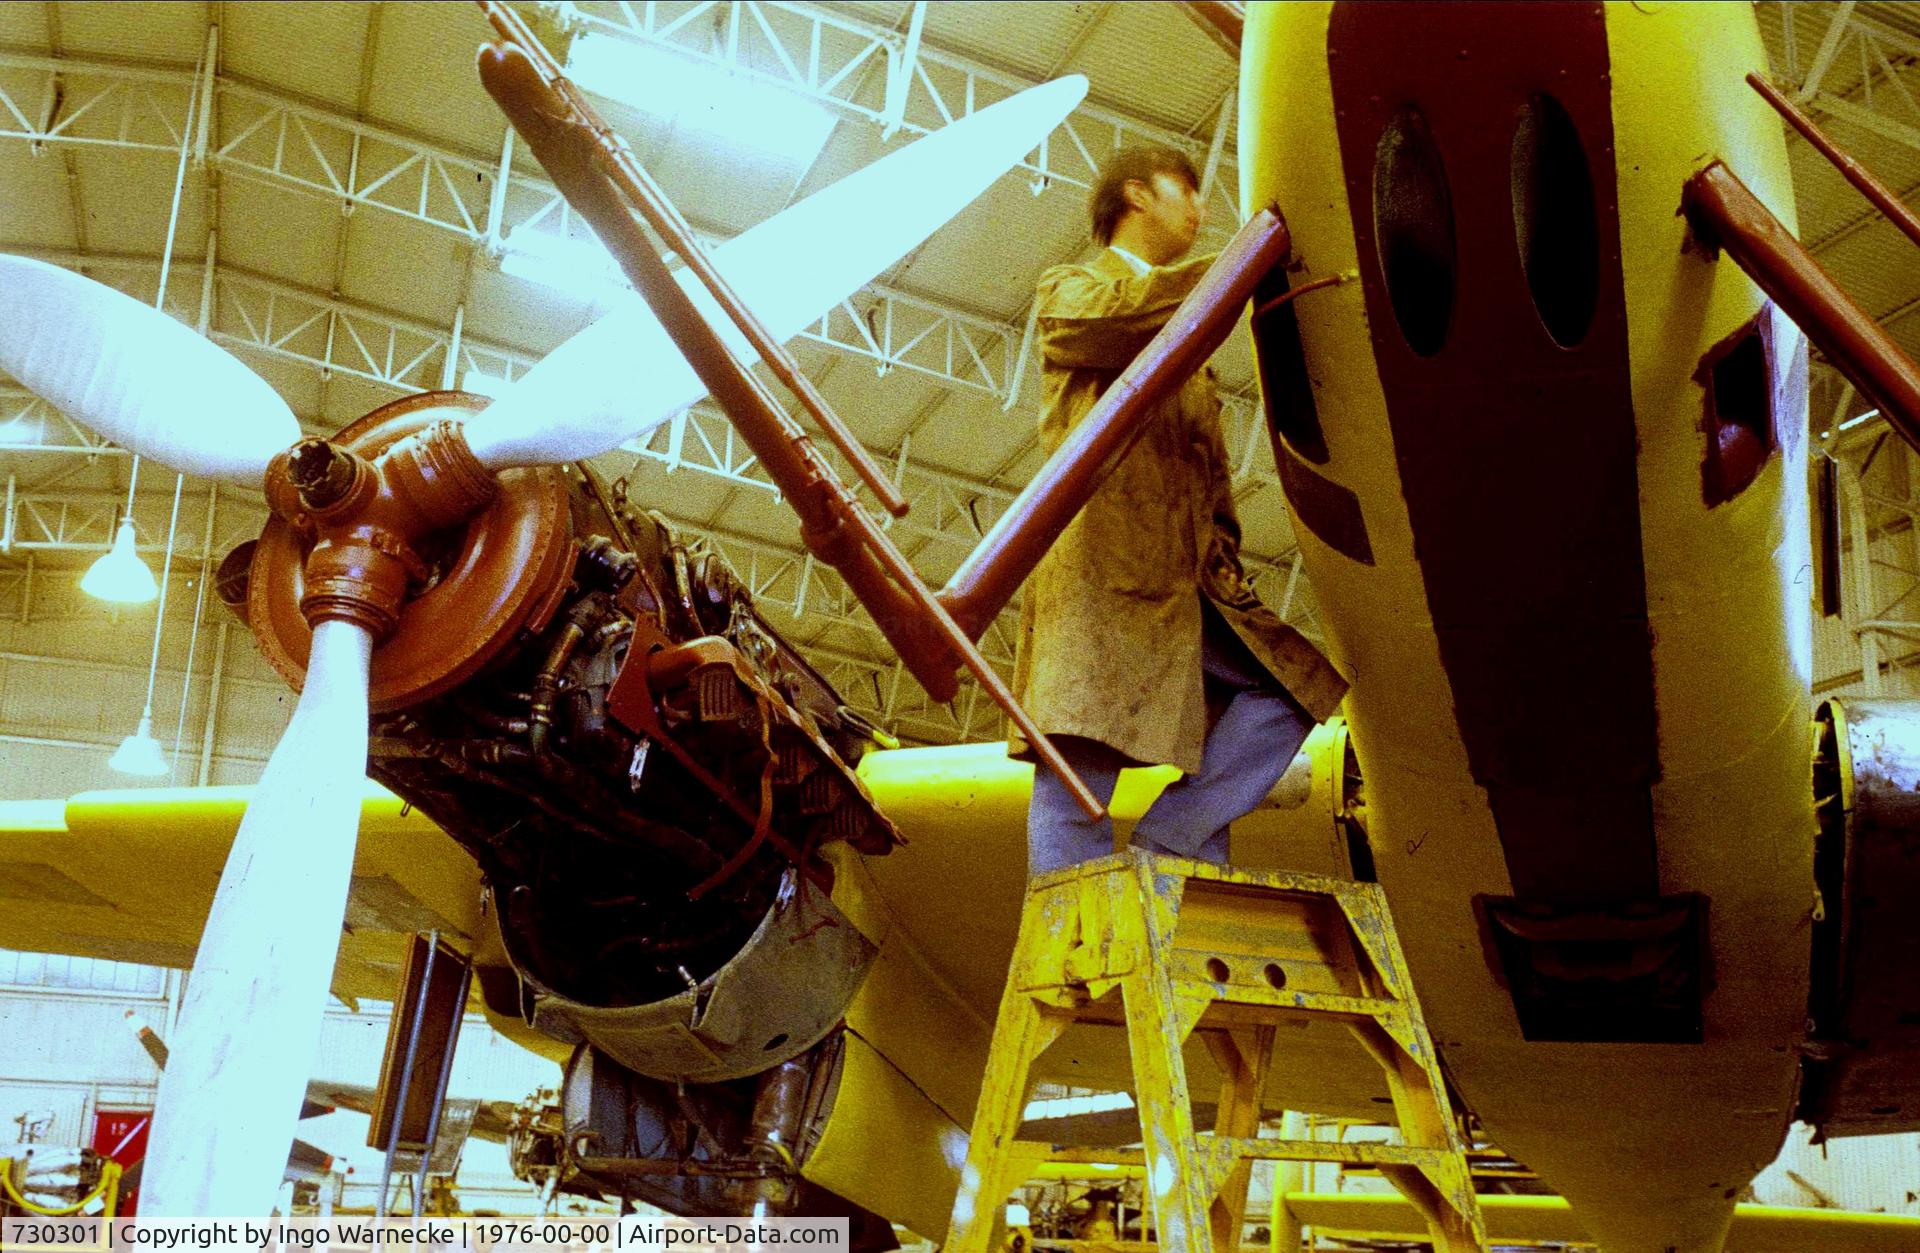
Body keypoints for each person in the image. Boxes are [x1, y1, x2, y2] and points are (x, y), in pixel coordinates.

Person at [1009, 145, 1348, 877]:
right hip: (1104, 578)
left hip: (1188, 587)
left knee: (1294, 688)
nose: (1200, 207)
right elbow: (1122, 318)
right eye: (1186, 188)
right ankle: (1075, 945)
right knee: (1079, 777)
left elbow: (1211, 478)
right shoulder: (1071, 290)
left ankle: (1174, 837)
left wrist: (1227, 562)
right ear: (1136, 194)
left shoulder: (1186, 327)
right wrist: (1243, 267)